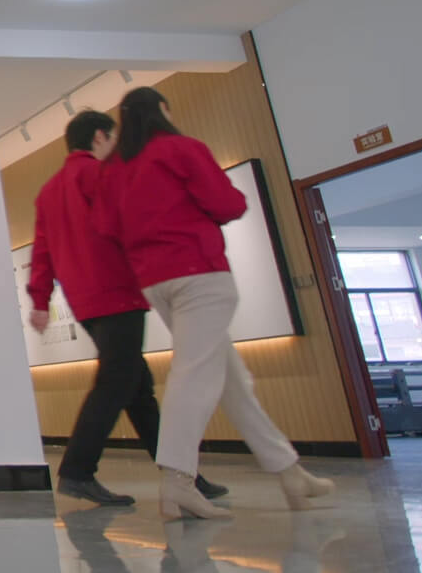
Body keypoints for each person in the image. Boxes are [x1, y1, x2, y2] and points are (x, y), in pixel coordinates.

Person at [95, 86, 334, 520]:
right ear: (162, 111)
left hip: (155, 282)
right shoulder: (181, 149)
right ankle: (177, 481)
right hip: (200, 275)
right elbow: (228, 204)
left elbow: (108, 227)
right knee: (195, 376)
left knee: (231, 381)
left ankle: (289, 470)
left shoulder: (115, 170)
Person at [29, 110, 225, 507]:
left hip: (85, 301)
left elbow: (42, 251)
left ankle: (184, 477)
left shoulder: (49, 191)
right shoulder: (98, 175)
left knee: (137, 390)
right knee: (117, 382)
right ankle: (77, 471)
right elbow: (130, 220)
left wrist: (40, 299)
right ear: (100, 137)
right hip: (117, 291)